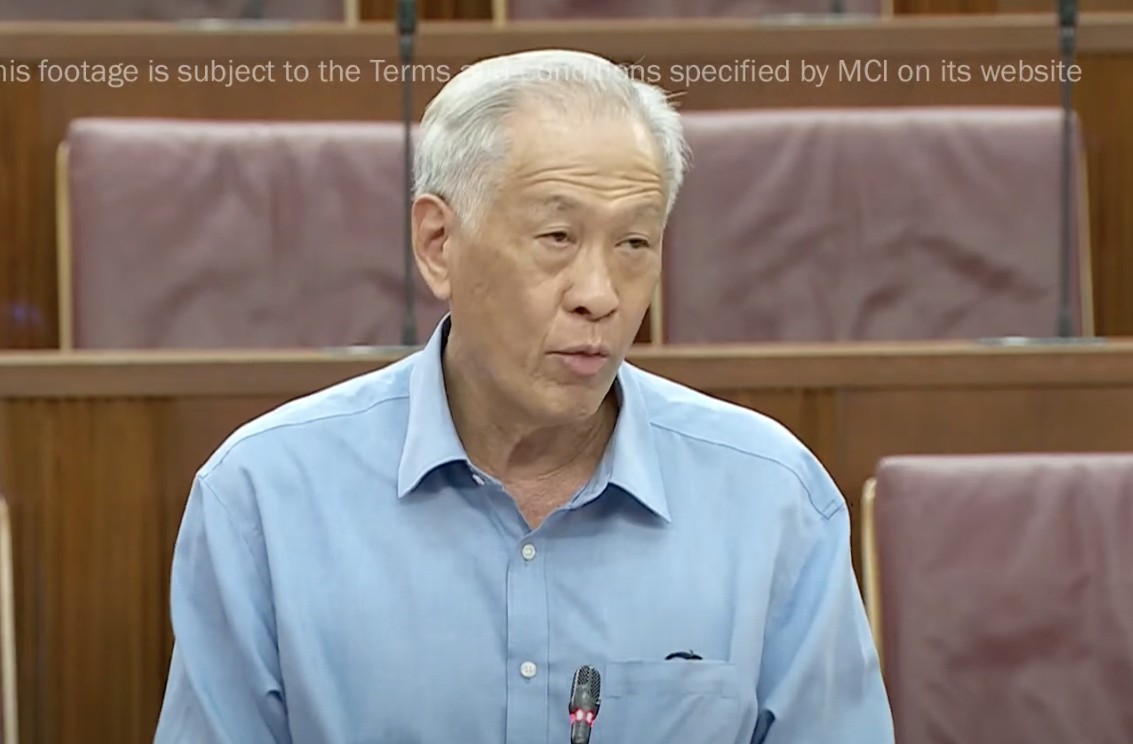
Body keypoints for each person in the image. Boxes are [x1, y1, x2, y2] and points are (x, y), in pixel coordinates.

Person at [153, 49, 894, 744]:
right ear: (438, 242)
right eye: (555, 237)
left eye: (634, 244)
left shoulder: (770, 498)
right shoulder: (264, 498)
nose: (599, 295)